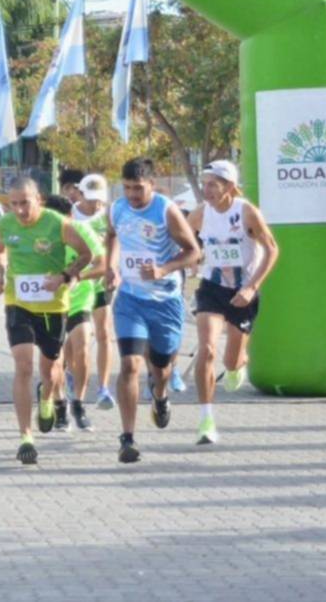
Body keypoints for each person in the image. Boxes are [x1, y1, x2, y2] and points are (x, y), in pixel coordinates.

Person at [0, 179, 95, 464]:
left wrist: (64, 276)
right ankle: (26, 437)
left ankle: (47, 397)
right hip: (18, 303)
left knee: (49, 371)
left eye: (25, 203)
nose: (20, 210)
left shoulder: (57, 223)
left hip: (53, 306)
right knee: (23, 366)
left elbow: (86, 254)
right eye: (14, 204)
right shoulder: (5, 224)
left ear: (38, 199)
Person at [104, 157, 202, 464]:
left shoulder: (165, 210)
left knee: (161, 369)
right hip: (130, 300)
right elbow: (112, 236)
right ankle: (127, 438)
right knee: (130, 365)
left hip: (165, 302)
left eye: (138, 188)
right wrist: (111, 267)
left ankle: (160, 395)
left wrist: (163, 269)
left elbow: (193, 252)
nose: (132, 195)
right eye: (127, 188)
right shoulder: (117, 209)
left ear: (152, 185)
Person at [188, 160, 279, 445]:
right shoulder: (201, 213)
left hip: (242, 292)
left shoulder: (246, 212)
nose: (207, 191)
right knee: (207, 349)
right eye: (204, 185)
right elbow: (185, 240)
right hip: (212, 288)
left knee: (230, 360)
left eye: (213, 185)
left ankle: (239, 363)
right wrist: (190, 259)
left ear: (229, 186)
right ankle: (206, 421)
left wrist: (251, 287)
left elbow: (272, 249)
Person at [43, 193, 106, 434]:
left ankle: (79, 403)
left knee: (82, 348)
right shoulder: (38, 236)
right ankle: (60, 405)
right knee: (55, 360)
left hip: (79, 301)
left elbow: (102, 264)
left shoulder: (82, 231)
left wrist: (78, 277)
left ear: (70, 217)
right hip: (50, 304)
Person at [72, 174, 117, 410]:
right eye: (90, 200)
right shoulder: (69, 215)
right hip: (76, 286)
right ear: (79, 195)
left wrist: (113, 268)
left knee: (104, 332)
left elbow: (115, 245)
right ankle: (70, 374)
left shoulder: (108, 215)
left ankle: (103, 387)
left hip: (100, 282)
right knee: (76, 338)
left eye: (99, 200)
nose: (96, 205)